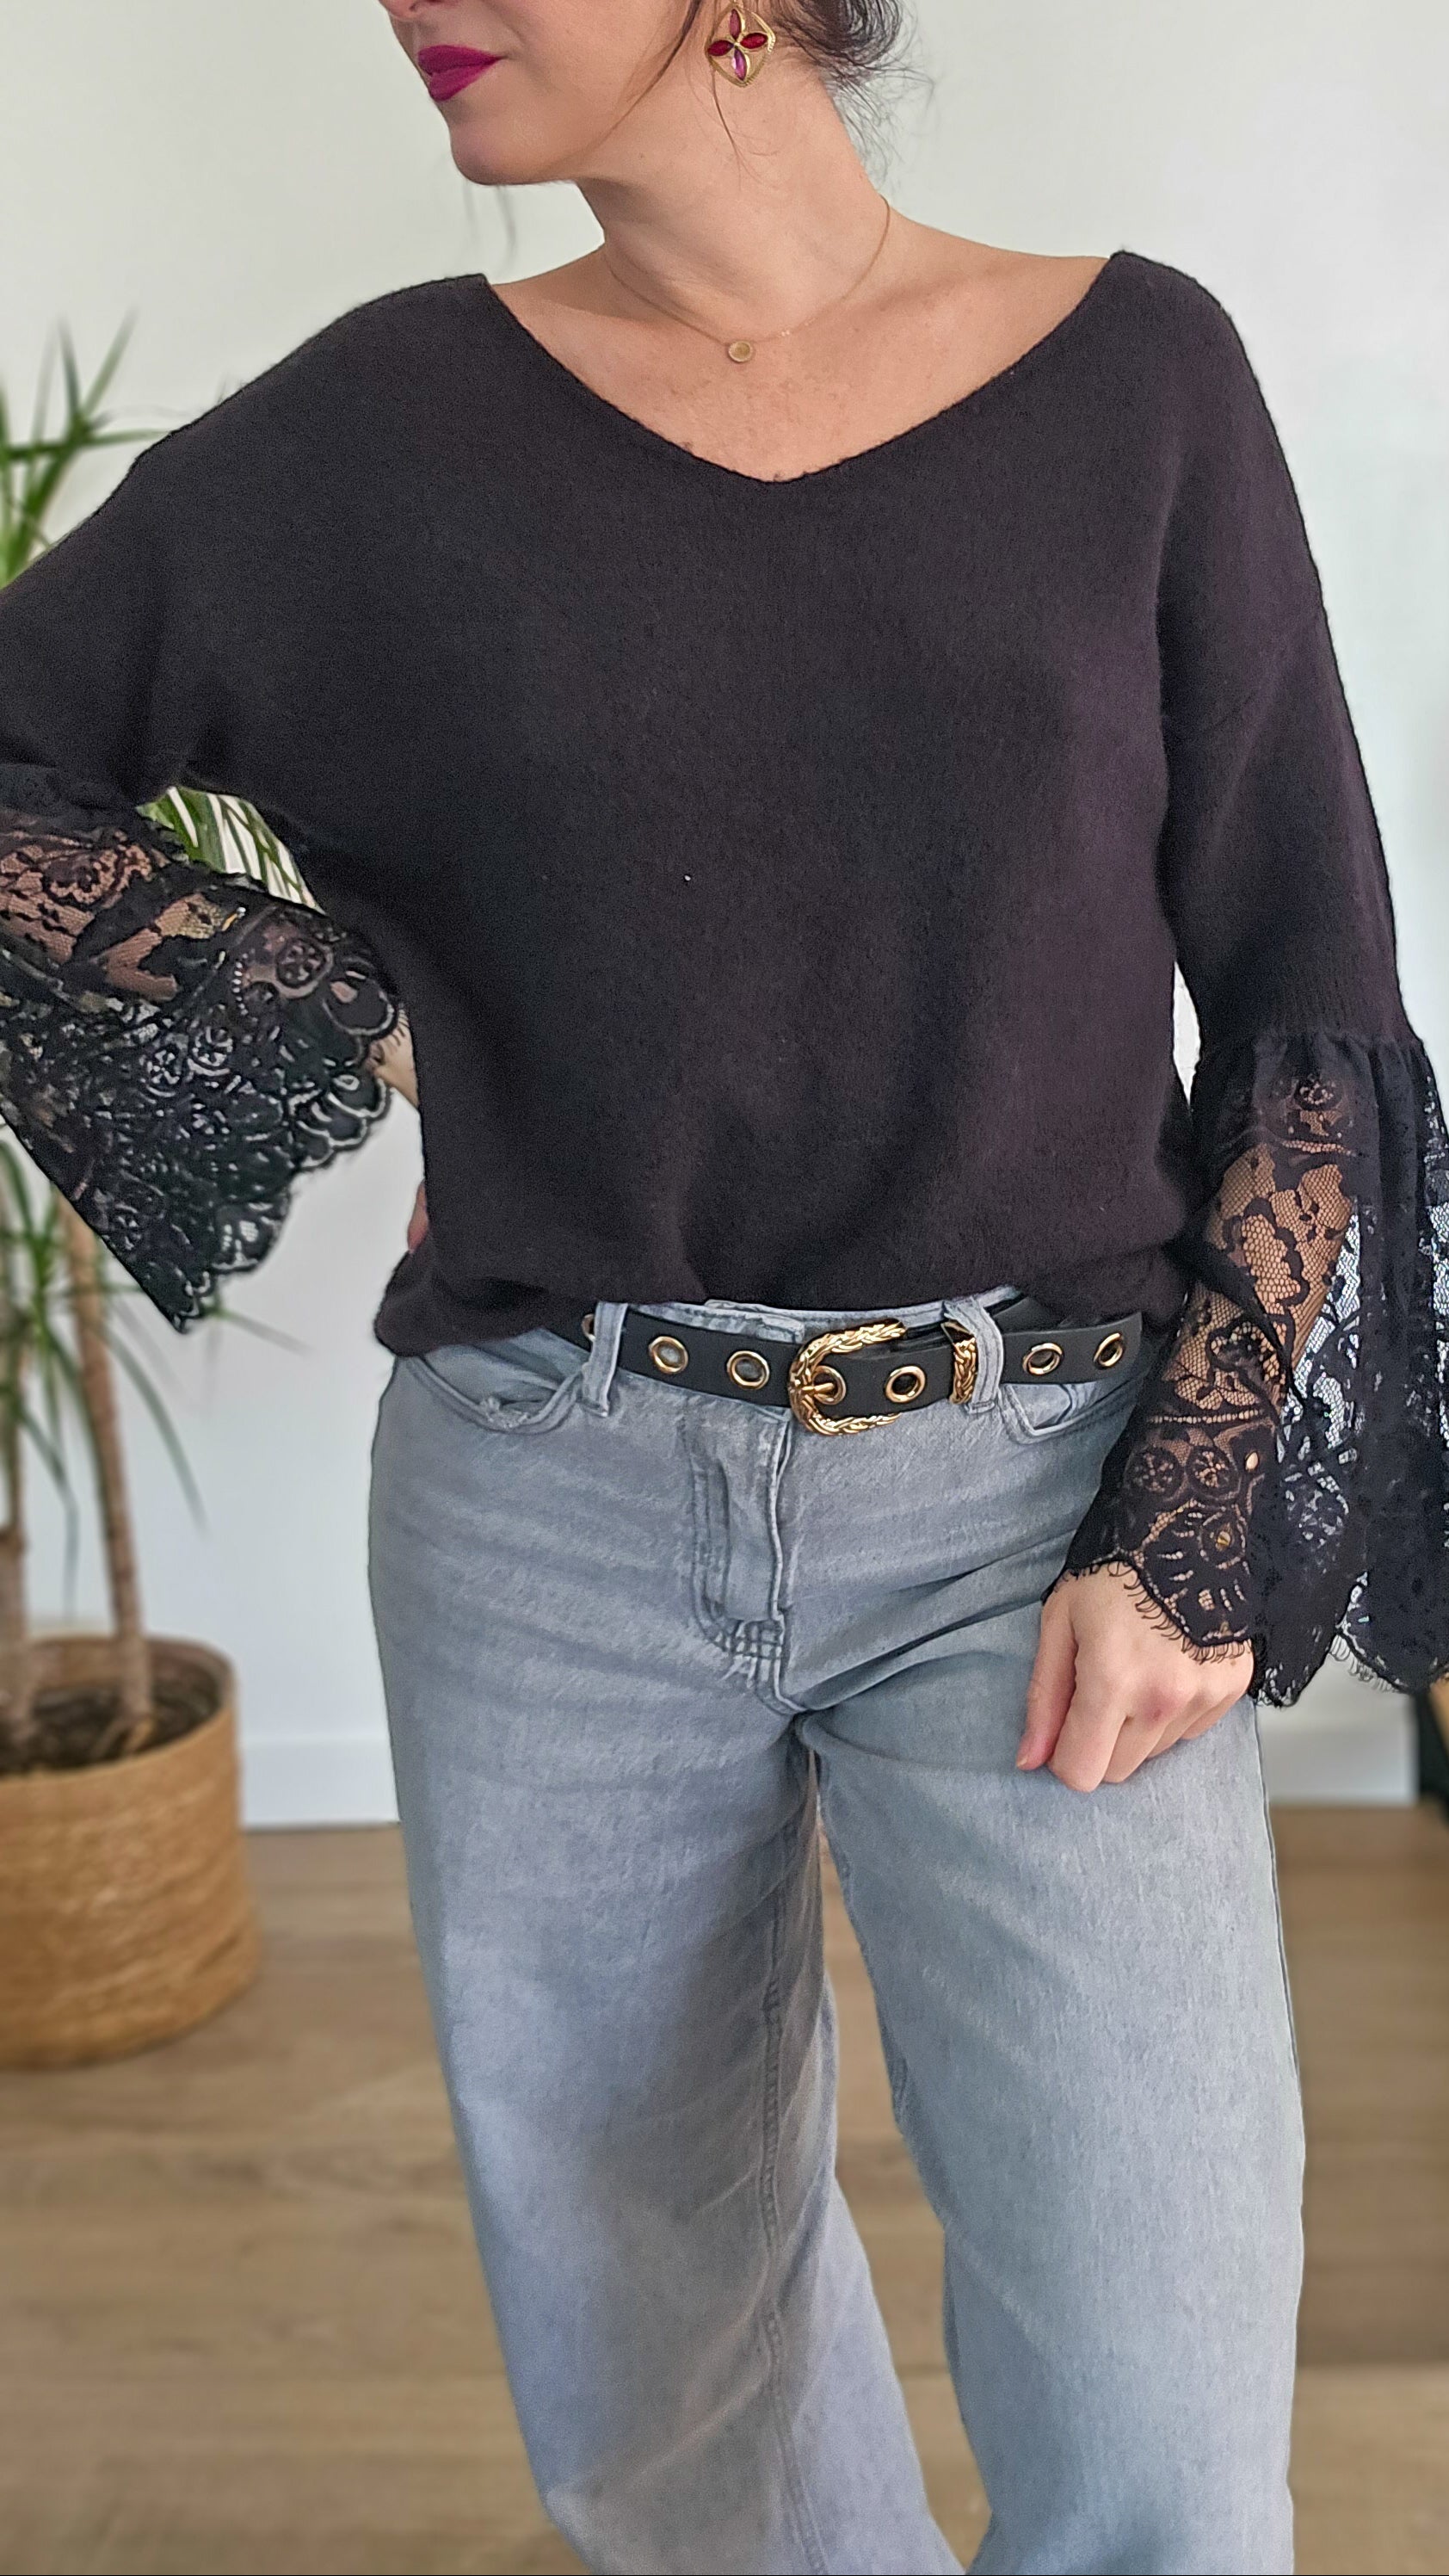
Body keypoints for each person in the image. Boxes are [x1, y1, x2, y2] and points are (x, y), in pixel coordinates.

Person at [1, 4, 1446, 2569]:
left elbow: (1305, 982)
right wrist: (335, 1016)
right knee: (668, 2406)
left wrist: (1194, 1523)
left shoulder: (1138, 382)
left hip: (1043, 1495)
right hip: (546, 1503)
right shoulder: (376, 434)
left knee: (1160, 2416)